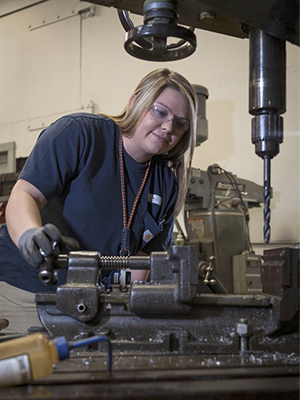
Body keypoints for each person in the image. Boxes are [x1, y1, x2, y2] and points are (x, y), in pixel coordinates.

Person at [0, 68, 197, 332]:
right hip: (27, 291)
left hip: (95, 304)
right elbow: (25, 194)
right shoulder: (79, 134)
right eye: (160, 111)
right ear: (134, 102)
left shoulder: (166, 183)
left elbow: (143, 259)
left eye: (180, 123)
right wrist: (28, 234)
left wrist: (126, 308)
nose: (167, 127)